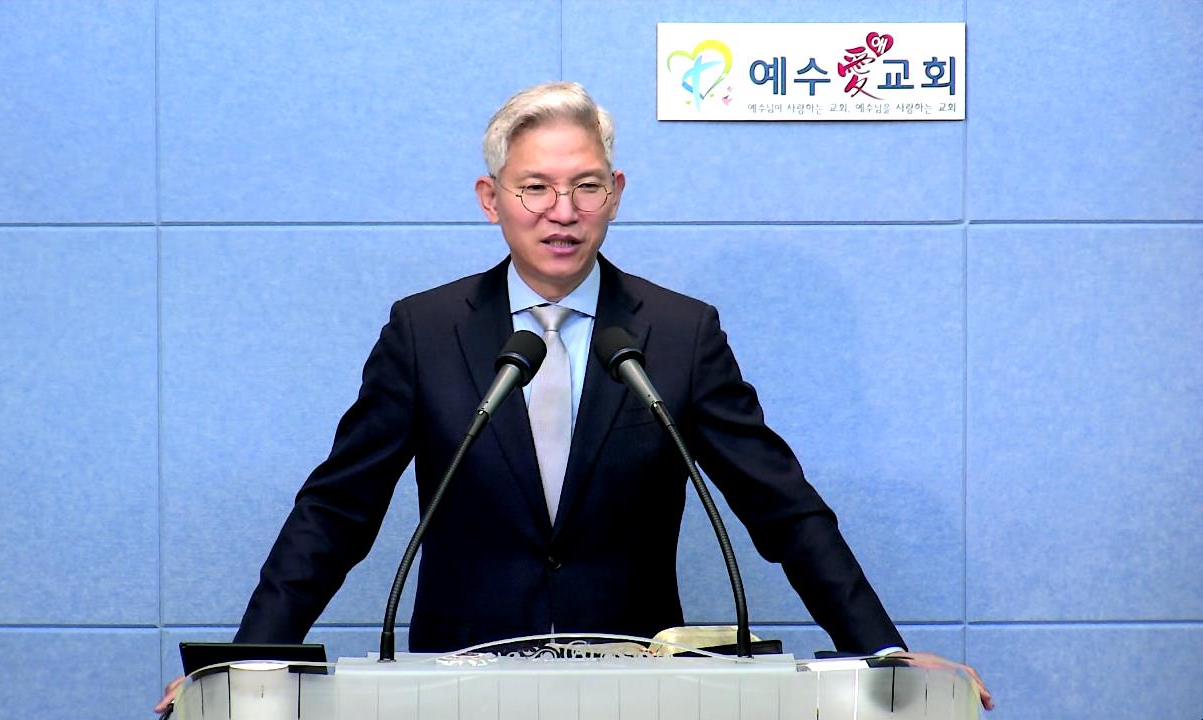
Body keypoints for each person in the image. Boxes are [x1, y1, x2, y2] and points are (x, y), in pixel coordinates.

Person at [157, 81, 991, 713]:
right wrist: (248, 664)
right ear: (491, 199)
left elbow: (783, 509)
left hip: (642, 691)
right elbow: (336, 510)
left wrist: (882, 653)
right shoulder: (425, 330)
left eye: (586, 186)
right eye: (535, 187)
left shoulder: (680, 332)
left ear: (615, 193)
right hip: (453, 689)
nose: (563, 212)